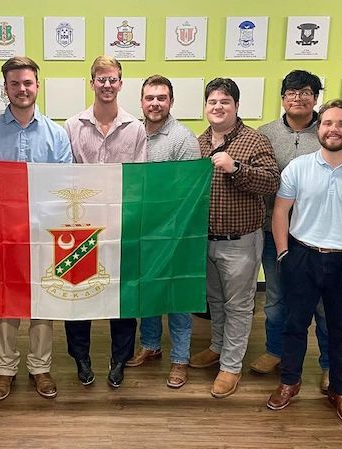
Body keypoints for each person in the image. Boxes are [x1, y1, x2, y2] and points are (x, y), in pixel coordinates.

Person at [267, 99, 342, 427]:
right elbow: (281, 211)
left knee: (341, 331)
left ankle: (341, 392)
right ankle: (289, 382)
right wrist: (282, 253)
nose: (333, 129)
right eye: (327, 123)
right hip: (302, 256)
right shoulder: (298, 168)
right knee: (294, 326)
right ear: (318, 128)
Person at [0, 56, 72, 401]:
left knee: (43, 303)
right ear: (6, 88)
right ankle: (4, 369)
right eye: (14, 84)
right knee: (6, 303)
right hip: (3, 234)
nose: (22, 89)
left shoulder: (57, 134)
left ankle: (40, 366)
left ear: (37, 86)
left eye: (27, 82)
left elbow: (63, 186)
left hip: (44, 234)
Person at [191, 78, 279, 398]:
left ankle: (230, 366)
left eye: (225, 102)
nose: (218, 107)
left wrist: (236, 168)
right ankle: (216, 347)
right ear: (205, 107)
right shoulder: (198, 143)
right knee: (215, 301)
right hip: (206, 239)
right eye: (212, 102)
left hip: (240, 240)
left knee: (239, 305)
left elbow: (271, 183)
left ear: (237, 106)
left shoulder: (254, 141)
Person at [63, 55, 146, 388]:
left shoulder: (135, 128)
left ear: (121, 83)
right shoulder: (72, 125)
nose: (107, 85)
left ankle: (118, 360)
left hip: (121, 225)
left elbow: (139, 179)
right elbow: (65, 175)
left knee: (122, 297)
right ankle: (81, 359)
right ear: (92, 82)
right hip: (80, 226)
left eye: (113, 79)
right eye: (101, 79)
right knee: (77, 294)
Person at [253, 70, 331, 393]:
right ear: (282, 97)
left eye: (306, 92)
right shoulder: (265, 133)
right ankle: (276, 351)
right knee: (275, 298)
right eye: (291, 92)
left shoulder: (328, 131)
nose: (298, 98)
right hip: (275, 231)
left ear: (316, 97)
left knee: (324, 304)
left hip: (319, 234)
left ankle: (329, 363)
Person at [125, 74, 199, 389]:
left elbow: (189, 191)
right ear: (141, 101)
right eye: (150, 97)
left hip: (175, 232)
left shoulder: (183, 138)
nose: (155, 103)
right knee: (148, 293)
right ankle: (151, 344)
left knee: (178, 298)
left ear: (171, 101)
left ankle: (180, 359)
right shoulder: (131, 134)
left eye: (162, 97)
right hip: (141, 231)